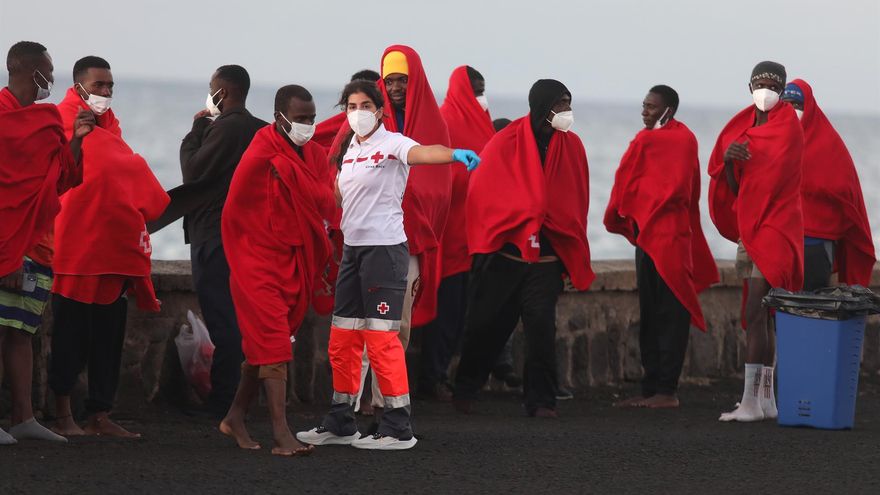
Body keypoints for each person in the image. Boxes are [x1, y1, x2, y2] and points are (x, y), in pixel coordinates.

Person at [296, 79, 480, 450]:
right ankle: (341, 419)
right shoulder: (349, 149)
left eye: (365, 106)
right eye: (351, 107)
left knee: (381, 339)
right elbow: (337, 197)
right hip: (353, 251)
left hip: (385, 250)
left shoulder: (392, 143)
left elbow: (423, 153)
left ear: (379, 111)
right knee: (343, 338)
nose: (358, 113)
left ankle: (397, 426)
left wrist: (454, 154)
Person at [453, 79, 594, 418]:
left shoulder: (572, 146)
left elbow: (577, 198)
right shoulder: (506, 141)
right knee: (486, 326)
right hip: (507, 255)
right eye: (560, 103)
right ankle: (466, 388)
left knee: (541, 328)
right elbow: (483, 191)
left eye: (568, 103)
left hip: (546, 258)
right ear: (542, 106)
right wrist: (522, 214)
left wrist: (568, 247)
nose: (566, 110)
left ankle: (541, 400)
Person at [49, 56, 170, 438]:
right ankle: (62, 415)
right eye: (98, 85)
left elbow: (121, 172)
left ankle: (99, 415)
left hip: (113, 250)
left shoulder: (110, 128)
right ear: (78, 87)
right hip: (75, 249)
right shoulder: (59, 120)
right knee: (70, 336)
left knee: (108, 338)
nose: (105, 92)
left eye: (110, 86)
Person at [219, 85, 334, 457]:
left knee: (266, 344)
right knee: (274, 344)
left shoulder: (314, 155)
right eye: (300, 119)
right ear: (279, 118)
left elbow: (326, 200)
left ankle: (234, 417)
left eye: (312, 118)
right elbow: (235, 212)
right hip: (255, 262)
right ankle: (282, 435)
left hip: (292, 260)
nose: (307, 126)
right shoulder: (260, 153)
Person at [351, 45, 455, 419]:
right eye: (390, 81)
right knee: (364, 321)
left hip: (410, 241)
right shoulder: (370, 119)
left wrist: (412, 198)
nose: (396, 88)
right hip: (371, 237)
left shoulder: (433, 126)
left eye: (403, 81)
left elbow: (439, 185)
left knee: (399, 325)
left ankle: (384, 400)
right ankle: (352, 400)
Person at [0, 41, 95, 445]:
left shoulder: (47, 120)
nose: (52, 80)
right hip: (6, 244)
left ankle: (23, 418)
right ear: (29, 71)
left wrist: (77, 138)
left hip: (37, 243)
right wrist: (6, 257)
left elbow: (60, 179)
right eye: (49, 73)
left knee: (22, 331)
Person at [605, 85, 719, 409]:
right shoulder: (644, 140)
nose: (645, 112)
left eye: (651, 107)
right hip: (647, 238)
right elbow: (628, 181)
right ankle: (650, 387)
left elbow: (680, 187)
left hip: (671, 238)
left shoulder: (683, 139)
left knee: (671, 313)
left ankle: (667, 391)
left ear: (668, 110)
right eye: (644, 106)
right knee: (650, 314)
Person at [708, 61, 804, 422]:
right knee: (763, 315)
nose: (766, 91)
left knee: (755, 312)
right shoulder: (743, 129)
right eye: (760, 84)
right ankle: (765, 400)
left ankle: (750, 401)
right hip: (751, 229)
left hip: (775, 229)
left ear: (782, 90)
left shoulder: (788, 128)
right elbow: (740, 190)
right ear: (749, 86)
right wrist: (729, 162)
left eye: (773, 85)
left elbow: (774, 186)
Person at [178, 65, 267, 416]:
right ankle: (242, 395)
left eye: (212, 88)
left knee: (222, 320)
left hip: (214, 236)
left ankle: (224, 400)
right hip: (246, 236)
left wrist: (196, 130)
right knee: (239, 318)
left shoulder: (226, 128)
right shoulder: (260, 129)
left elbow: (192, 171)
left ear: (222, 93)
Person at [418, 65, 495, 400]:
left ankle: (440, 375)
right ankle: (431, 378)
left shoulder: (481, 123)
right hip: (448, 234)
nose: (481, 97)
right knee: (445, 309)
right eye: (475, 90)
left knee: (461, 310)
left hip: (472, 236)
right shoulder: (445, 122)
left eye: (483, 90)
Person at [780, 80, 875, 290]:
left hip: (815, 242)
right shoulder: (774, 140)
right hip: (780, 241)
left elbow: (844, 188)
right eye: (786, 104)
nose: (791, 110)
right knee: (777, 305)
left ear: (809, 107)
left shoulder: (828, 141)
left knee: (812, 303)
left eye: (797, 105)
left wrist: (807, 184)